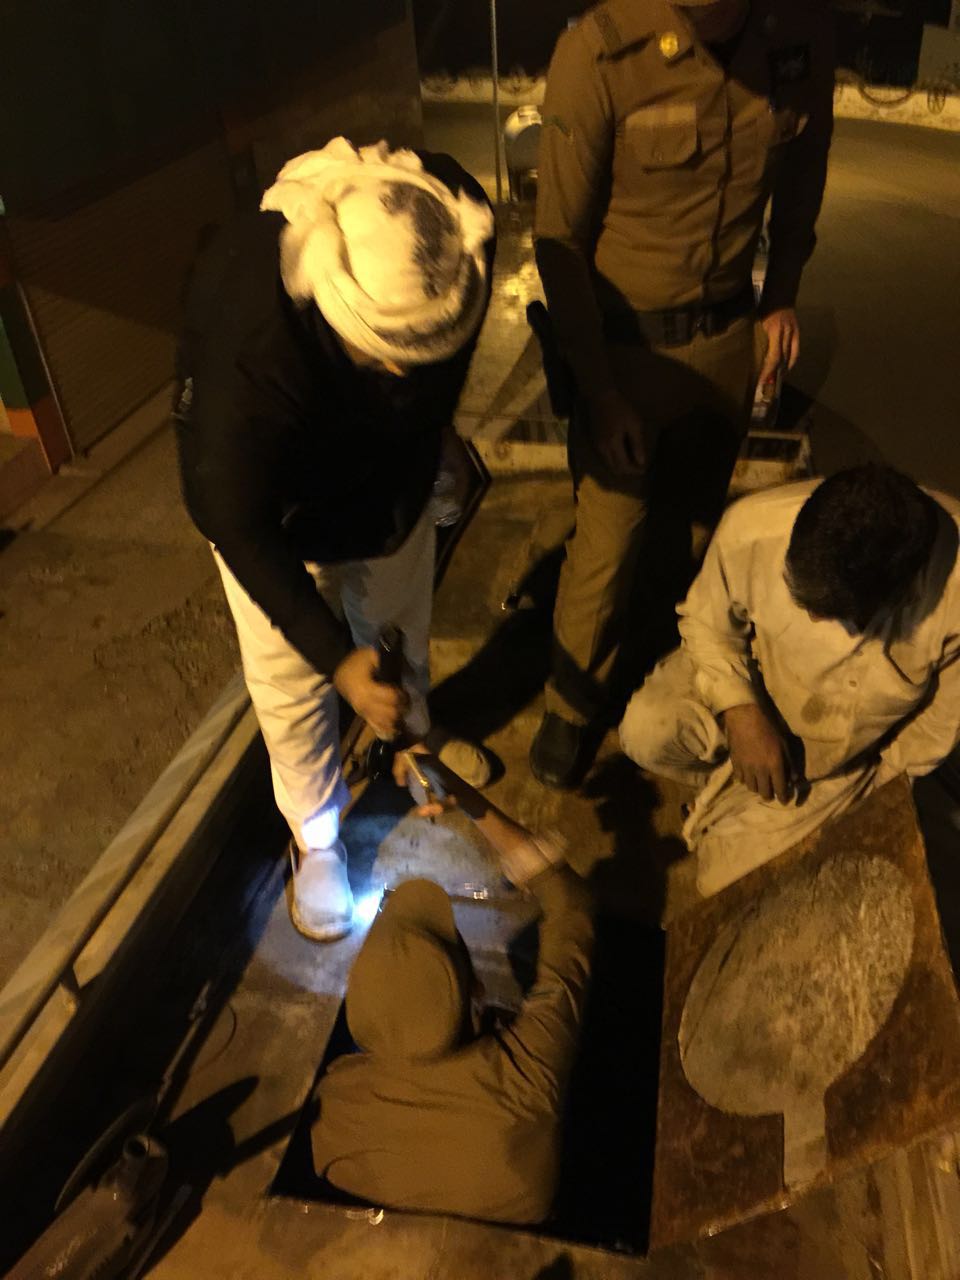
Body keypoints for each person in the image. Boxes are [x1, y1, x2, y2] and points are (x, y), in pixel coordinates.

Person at [174, 138, 495, 942]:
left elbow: (425, 379)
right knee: (291, 682)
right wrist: (335, 658)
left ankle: (411, 741)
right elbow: (232, 519)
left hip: (389, 490)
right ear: (331, 315)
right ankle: (315, 839)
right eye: (389, 360)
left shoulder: (452, 230)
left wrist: (436, 436)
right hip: (278, 519)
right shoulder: (247, 335)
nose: (409, 379)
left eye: (427, 358)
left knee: (399, 635)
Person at [530, 0, 836, 788]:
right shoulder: (600, 53)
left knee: (696, 529)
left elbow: (804, 175)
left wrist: (781, 295)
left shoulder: (797, 36)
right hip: (625, 353)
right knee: (607, 542)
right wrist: (599, 390)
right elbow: (559, 242)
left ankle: (664, 660)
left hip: (727, 340)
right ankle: (571, 707)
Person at [619, 466, 960, 896]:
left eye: (829, 613)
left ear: (895, 597)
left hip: (843, 759)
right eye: (800, 598)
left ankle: (744, 800)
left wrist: (870, 795)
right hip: (756, 677)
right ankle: (734, 787)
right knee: (644, 733)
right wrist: (740, 710)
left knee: (721, 884)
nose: (811, 618)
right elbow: (707, 624)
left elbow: (930, 733)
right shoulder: (755, 526)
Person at [311, 764, 594, 1224]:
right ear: (476, 989)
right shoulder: (528, 1068)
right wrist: (469, 798)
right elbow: (573, 905)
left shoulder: (336, 1099)